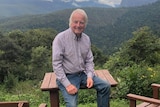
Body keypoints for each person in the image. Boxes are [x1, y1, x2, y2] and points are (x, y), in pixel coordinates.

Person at [52, 8, 110, 107]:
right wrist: (67, 85)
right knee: (72, 105)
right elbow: (57, 65)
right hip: (67, 76)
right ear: (70, 23)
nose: (78, 25)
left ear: (85, 25)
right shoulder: (60, 39)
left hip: (82, 74)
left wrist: (90, 76)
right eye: (75, 22)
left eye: (81, 23)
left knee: (105, 86)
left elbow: (89, 60)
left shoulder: (86, 39)